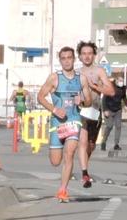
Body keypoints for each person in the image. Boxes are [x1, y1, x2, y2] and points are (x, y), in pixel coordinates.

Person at [36, 45, 88, 202]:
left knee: (70, 153)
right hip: (57, 123)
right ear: (60, 60)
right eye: (63, 58)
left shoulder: (81, 78)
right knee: (55, 161)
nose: (66, 61)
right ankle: (62, 187)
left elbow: (88, 100)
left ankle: (63, 190)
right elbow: (40, 96)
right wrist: (54, 110)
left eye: (69, 58)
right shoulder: (54, 78)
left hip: (73, 120)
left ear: (74, 59)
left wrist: (83, 100)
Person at [76, 41, 111, 187]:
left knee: (91, 146)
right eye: (84, 54)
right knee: (82, 143)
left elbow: (110, 91)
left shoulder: (99, 71)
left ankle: (85, 167)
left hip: (95, 112)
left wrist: (95, 86)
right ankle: (85, 174)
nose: (87, 56)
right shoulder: (76, 72)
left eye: (89, 53)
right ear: (79, 56)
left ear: (94, 55)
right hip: (81, 112)